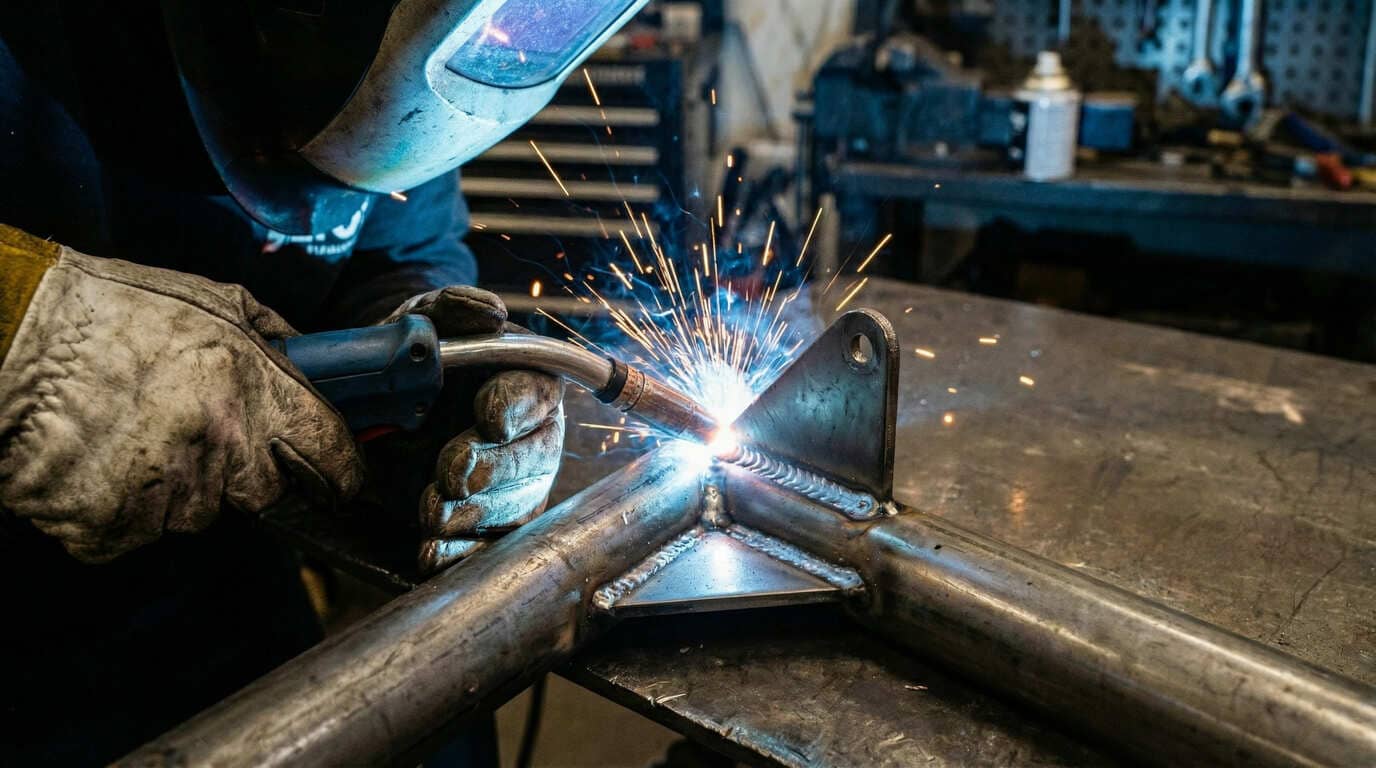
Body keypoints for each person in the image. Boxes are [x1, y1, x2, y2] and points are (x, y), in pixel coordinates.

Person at [0, 0, 646, 763]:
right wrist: (24, 329)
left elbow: (394, 245)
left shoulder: (439, 36)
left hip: (208, 574)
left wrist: (425, 360)